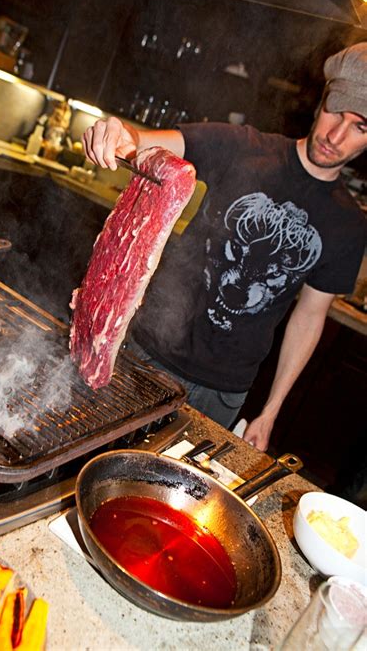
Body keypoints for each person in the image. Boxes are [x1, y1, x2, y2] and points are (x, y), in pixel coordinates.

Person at [82, 42, 367, 451]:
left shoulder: (347, 225)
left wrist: (271, 410)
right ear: (322, 101)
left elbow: (309, 316)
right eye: (335, 112)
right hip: (145, 355)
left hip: (221, 394)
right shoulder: (242, 147)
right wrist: (116, 132)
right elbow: (142, 142)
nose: (336, 135)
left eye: (360, 127)